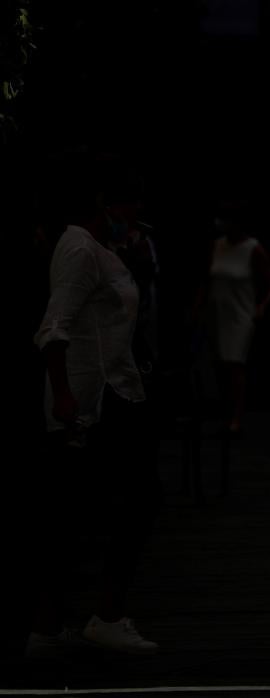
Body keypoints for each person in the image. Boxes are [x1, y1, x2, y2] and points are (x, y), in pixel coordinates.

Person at [28, 156, 162, 656]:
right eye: (130, 205)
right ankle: (101, 614)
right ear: (107, 203)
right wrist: (63, 396)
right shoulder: (80, 249)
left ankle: (50, 625)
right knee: (127, 503)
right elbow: (54, 327)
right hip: (92, 405)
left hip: (113, 394)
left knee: (77, 511)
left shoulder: (99, 248)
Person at [198, 199, 270, 434]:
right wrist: (198, 308)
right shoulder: (217, 246)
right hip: (218, 312)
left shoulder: (252, 248)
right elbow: (206, 280)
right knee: (220, 364)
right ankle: (225, 410)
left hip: (240, 314)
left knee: (235, 363)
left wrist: (261, 306)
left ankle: (236, 416)